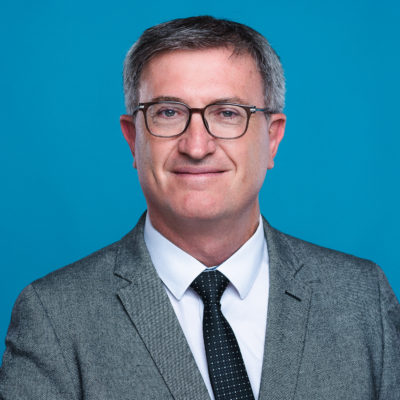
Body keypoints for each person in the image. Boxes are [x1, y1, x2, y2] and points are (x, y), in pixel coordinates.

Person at [0, 15, 399, 400]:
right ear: (133, 139)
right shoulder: (54, 316)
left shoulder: (363, 298)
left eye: (227, 113)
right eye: (168, 113)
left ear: (272, 138)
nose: (196, 146)